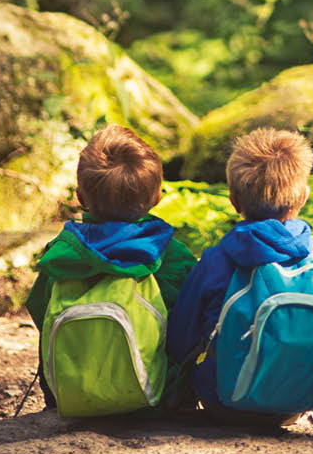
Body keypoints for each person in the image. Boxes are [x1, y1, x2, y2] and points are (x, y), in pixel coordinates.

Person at [166, 126, 313, 422]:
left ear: (234, 200)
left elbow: (180, 340)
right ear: (303, 198)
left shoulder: (217, 260)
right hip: (298, 401)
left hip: (224, 401)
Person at [26, 123, 196, 410]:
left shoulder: (61, 254)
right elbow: (188, 328)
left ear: (80, 198)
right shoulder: (172, 256)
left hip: (71, 397)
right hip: (158, 399)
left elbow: (40, 311)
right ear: (157, 197)